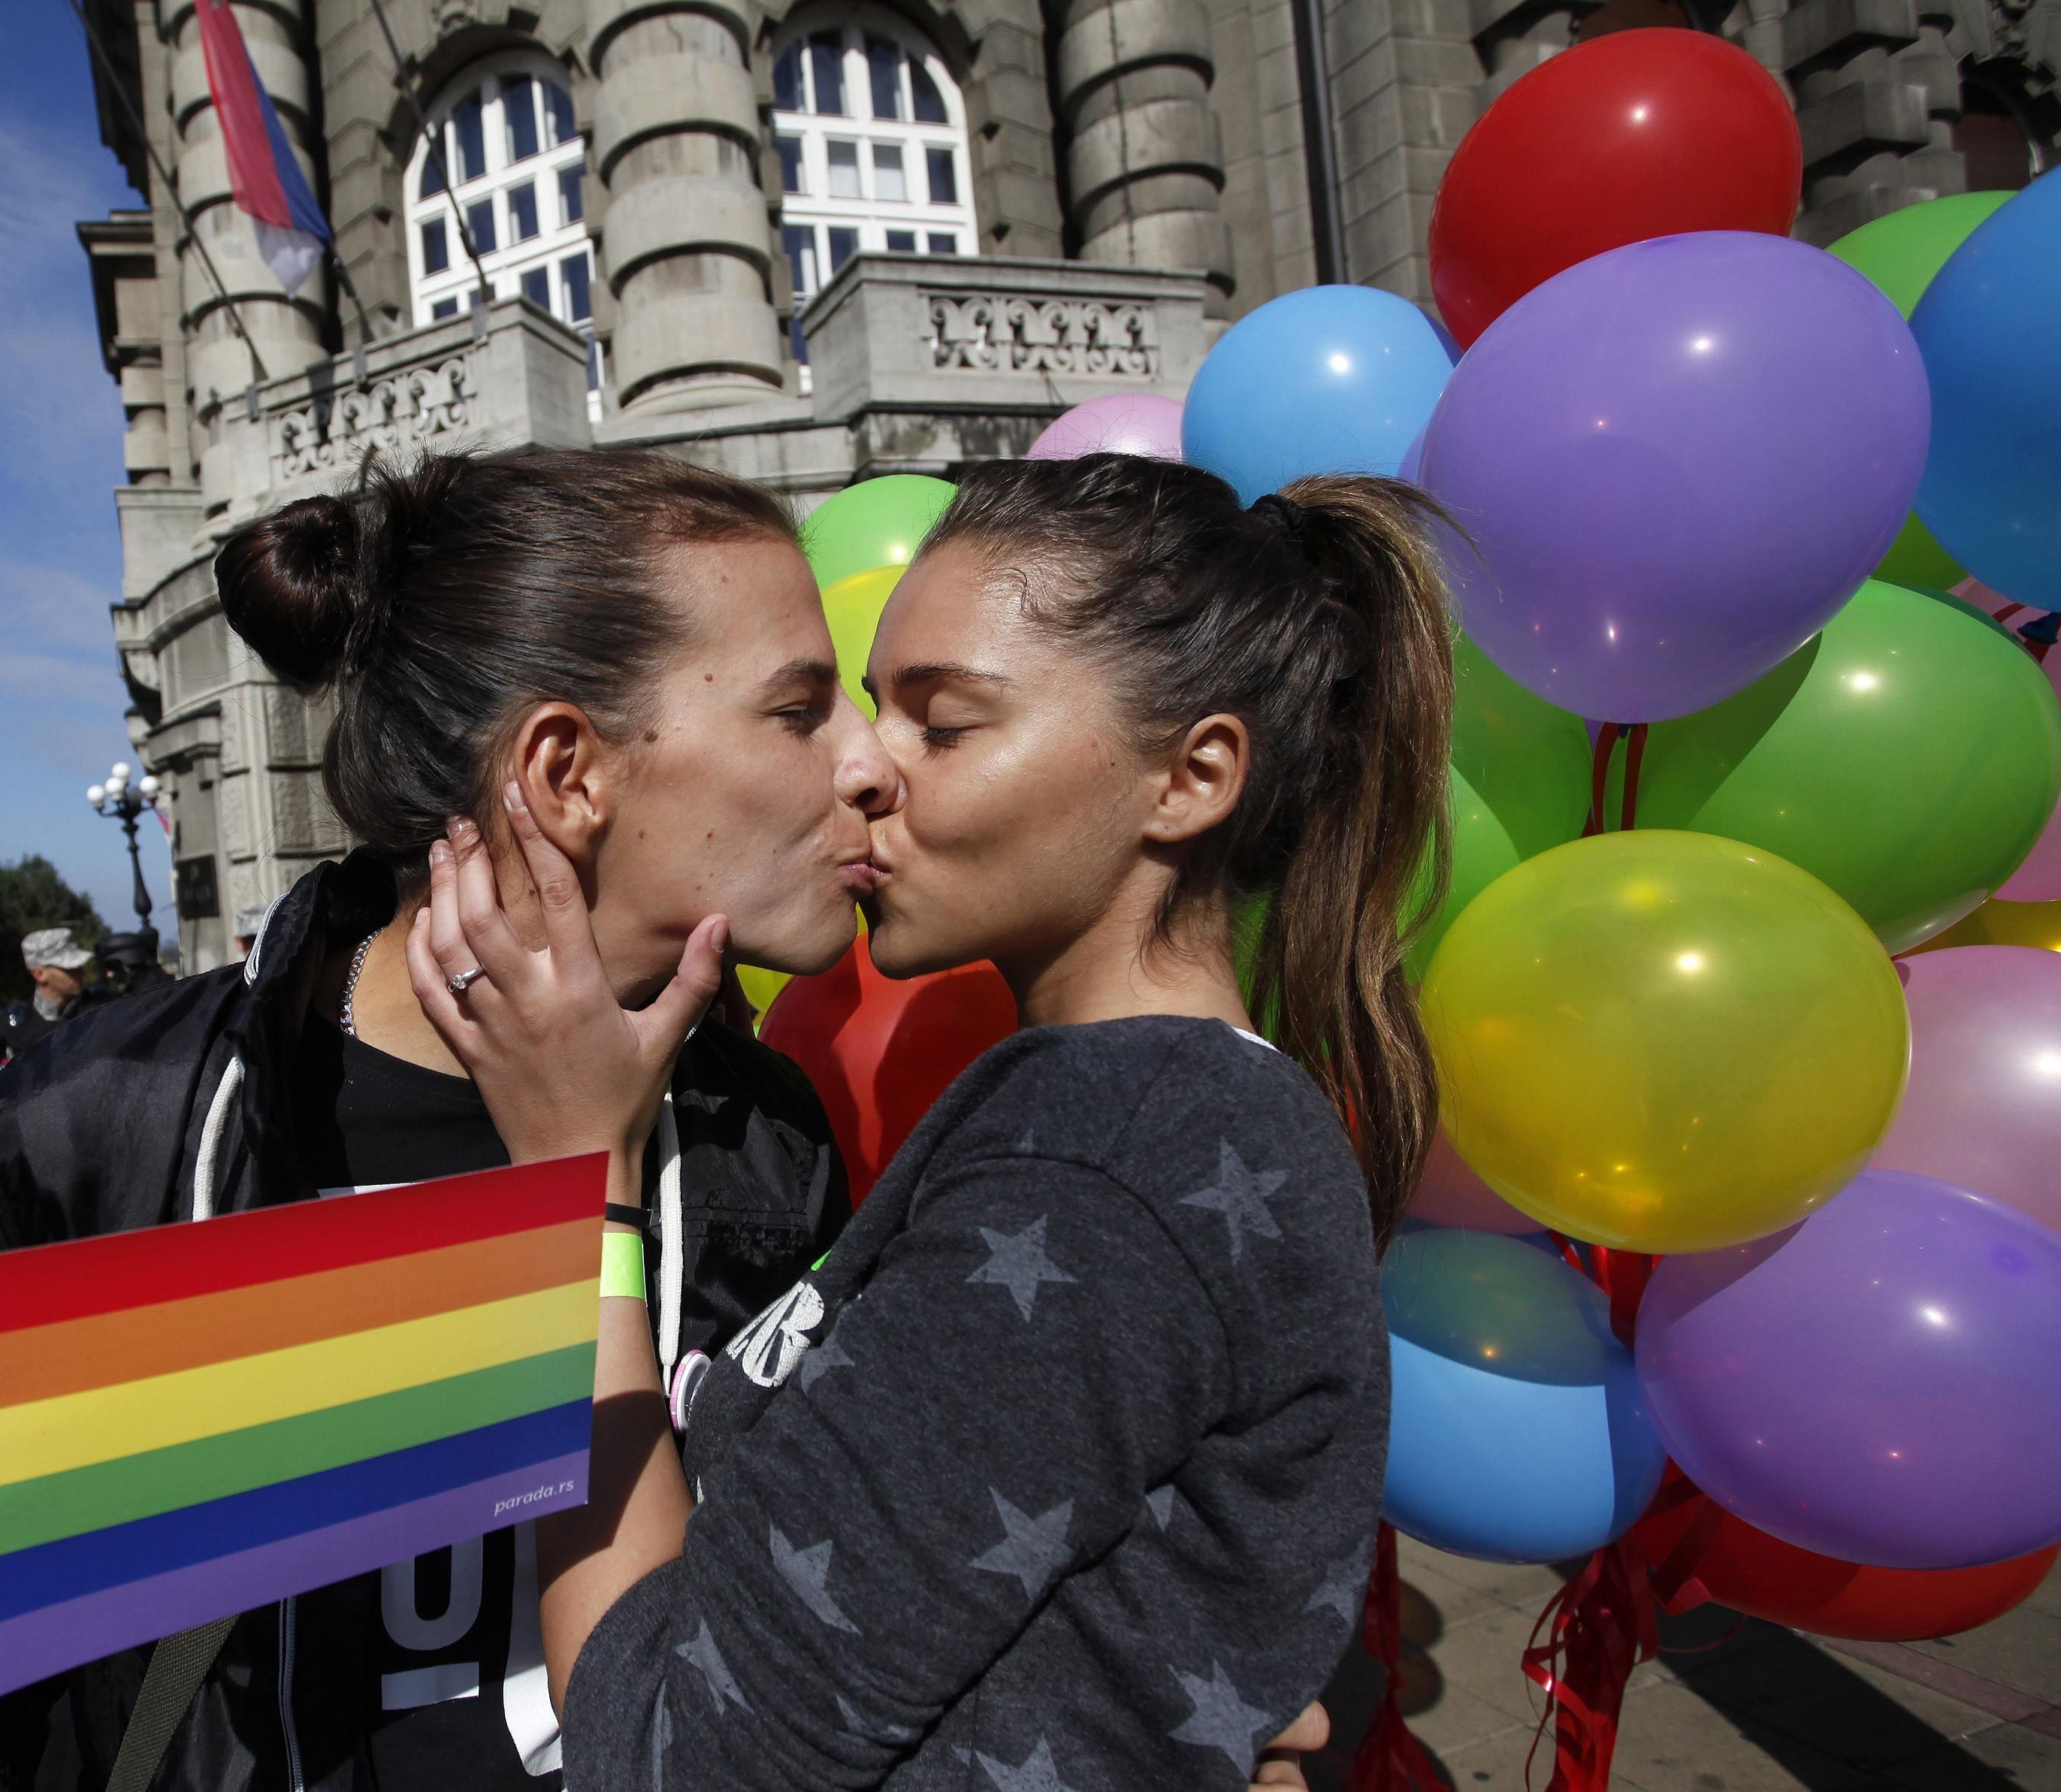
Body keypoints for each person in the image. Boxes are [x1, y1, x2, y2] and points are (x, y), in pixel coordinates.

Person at [0, 448, 884, 1792]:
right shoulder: (98, 1118)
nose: (872, 761)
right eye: (801, 709)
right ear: (564, 773)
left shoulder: (764, 1138)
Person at [409, 455, 1444, 1790]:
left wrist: (574, 1187)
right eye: (846, 707)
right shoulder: (1121, 1117)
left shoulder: (1113, 1158)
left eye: (941, 726)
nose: (861, 769)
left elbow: (669, 1760)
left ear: (1188, 779)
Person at [0, 927, 95, 1073]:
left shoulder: (102, 1010)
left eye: (79, 965)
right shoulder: (8, 1028)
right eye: (70, 968)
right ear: (40, 974)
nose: (81, 972)